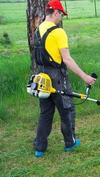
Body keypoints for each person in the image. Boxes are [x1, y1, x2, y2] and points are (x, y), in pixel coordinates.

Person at [33, 0, 96, 157]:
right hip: (57, 77)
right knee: (67, 110)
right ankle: (70, 143)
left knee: (45, 112)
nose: (61, 17)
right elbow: (66, 59)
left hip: (42, 77)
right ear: (55, 12)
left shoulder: (38, 29)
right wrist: (85, 76)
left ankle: (40, 148)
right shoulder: (58, 32)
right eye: (61, 14)